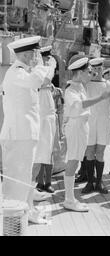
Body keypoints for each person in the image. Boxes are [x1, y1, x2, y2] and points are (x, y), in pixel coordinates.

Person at [0, 36, 56, 223]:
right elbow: (36, 82)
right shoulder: (17, 73)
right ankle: (14, 221)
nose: (37, 57)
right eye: (34, 53)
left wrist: (40, 66)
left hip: (23, 135)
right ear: (25, 55)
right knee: (16, 180)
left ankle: (25, 213)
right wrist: (42, 65)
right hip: (18, 136)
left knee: (22, 178)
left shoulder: (22, 73)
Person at [62, 55, 110, 212]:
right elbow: (78, 106)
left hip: (82, 126)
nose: (92, 74)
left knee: (76, 160)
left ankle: (70, 198)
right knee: (73, 161)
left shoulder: (80, 87)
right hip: (76, 126)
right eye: (89, 71)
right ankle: (69, 199)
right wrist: (101, 97)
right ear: (80, 73)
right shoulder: (71, 90)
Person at [82, 57, 110, 195]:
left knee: (100, 153)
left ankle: (99, 182)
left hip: (104, 121)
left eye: (99, 68)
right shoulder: (86, 85)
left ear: (103, 68)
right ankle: (90, 182)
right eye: (94, 69)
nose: (97, 71)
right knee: (90, 152)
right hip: (90, 121)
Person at [33, 46, 57, 194]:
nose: (48, 61)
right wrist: (51, 68)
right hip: (39, 115)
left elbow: (47, 83)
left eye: (49, 59)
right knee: (40, 151)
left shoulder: (47, 77)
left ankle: (47, 182)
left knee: (49, 151)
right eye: (46, 58)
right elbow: (43, 81)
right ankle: (39, 182)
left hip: (49, 115)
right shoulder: (38, 72)